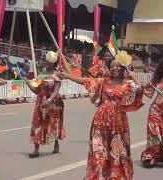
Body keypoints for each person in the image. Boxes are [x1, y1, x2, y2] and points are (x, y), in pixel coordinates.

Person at [57, 51, 144, 180]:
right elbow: (85, 81)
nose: (114, 68)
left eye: (117, 66)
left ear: (122, 68)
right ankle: (96, 174)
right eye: (112, 66)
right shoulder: (104, 81)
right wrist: (68, 76)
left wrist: (133, 76)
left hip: (118, 123)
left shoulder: (127, 85)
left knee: (116, 150)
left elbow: (141, 89)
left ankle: (115, 174)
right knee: (98, 149)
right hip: (100, 121)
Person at [23, 51, 65, 158]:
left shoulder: (57, 74)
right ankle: (36, 149)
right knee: (38, 124)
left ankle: (56, 143)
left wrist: (49, 100)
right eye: (45, 60)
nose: (45, 62)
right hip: (41, 104)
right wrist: (28, 83)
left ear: (52, 62)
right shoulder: (41, 75)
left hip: (53, 103)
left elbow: (56, 90)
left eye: (47, 61)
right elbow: (37, 90)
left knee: (53, 124)